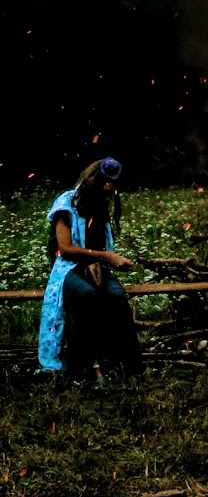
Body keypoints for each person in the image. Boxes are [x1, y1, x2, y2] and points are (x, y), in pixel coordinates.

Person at [37, 157, 144, 382]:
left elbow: (102, 245)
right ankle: (78, 368)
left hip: (96, 267)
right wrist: (108, 256)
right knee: (86, 296)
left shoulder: (100, 205)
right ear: (93, 180)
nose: (110, 190)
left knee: (116, 296)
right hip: (68, 269)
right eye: (106, 184)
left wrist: (113, 261)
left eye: (113, 186)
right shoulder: (66, 204)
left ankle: (126, 365)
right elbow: (65, 249)